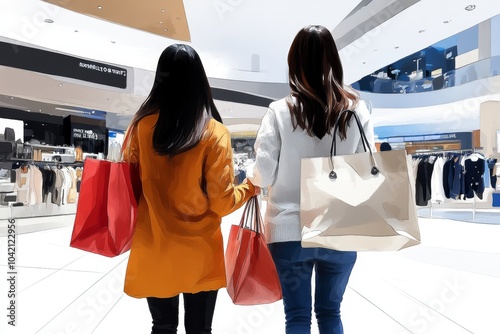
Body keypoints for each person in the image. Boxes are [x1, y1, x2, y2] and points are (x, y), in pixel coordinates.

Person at [122, 44, 258, 334]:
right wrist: (248, 189)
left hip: (153, 246)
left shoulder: (140, 128)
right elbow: (220, 203)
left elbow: (127, 188)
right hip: (199, 253)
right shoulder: (214, 133)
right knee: (199, 329)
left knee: (162, 326)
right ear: (200, 80)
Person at [247, 25, 375, 334]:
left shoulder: (279, 111)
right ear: (333, 59)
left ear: (295, 62)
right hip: (339, 228)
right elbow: (366, 168)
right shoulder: (356, 111)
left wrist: (250, 173)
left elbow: (264, 173)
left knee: (298, 316)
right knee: (331, 313)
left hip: (289, 230)